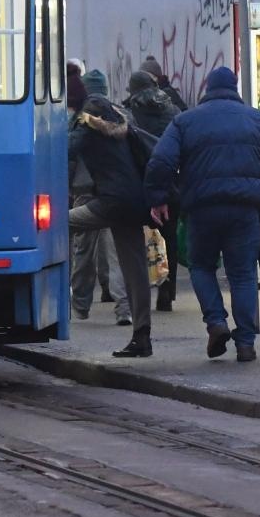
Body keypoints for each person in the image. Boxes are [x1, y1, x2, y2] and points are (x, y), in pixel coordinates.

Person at [146, 65, 260, 362]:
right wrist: (259, 171)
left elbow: (161, 159)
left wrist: (158, 197)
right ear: (234, 88)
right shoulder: (258, 119)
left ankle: (216, 322)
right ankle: (246, 342)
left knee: (201, 266)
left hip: (202, 209)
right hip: (244, 209)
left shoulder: (185, 121)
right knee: (243, 273)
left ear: (207, 88)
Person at [69, 94, 156, 358]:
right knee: (135, 269)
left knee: (57, 224)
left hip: (111, 203)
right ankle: (142, 336)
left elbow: (63, 151)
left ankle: (56, 299)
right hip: (136, 202)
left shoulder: (87, 129)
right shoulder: (124, 127)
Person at [126, 70, 182, 312]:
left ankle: (142, 292)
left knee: (139, 240)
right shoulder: (173, 110)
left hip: (141, 183)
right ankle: (167, 290)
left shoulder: (130, 113)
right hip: (171, 182)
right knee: (170, 237)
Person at [81, 69, 125, 310]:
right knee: (115, 249)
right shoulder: (122, 115)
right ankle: (123, 305)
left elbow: (70, 156)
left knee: (82, 249)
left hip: (85, 191)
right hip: (115, 191)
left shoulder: (78, 118)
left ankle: (80, 303)